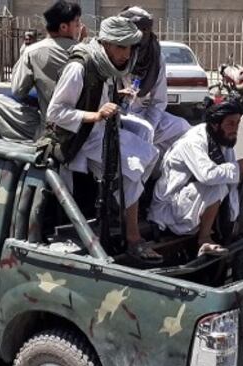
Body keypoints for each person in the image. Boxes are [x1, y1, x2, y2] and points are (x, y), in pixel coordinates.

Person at [47, 16, 162, 263]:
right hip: (81, 139)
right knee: (131, 171)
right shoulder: (79, 68)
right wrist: (96, 114)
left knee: (149, 149)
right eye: (121, 46)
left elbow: (100, 97)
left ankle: (121, 201)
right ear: (106, 43)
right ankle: (133, 239)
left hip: (101, 132)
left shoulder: (108, 65)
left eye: (130, 47)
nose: (126, 53)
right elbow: (55, 113)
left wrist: (116, 96)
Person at [148, 101, 243, 256]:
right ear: (215, 125)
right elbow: (207, 175)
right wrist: (238, 167)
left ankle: (238, 222)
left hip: (192, 199)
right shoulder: (193, 142)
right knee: (217, 185)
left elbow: (229, 178)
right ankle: (204, 239)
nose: (235, 129)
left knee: (233, 182)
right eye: (230, 124)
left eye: (238, 123)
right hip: (171, 207)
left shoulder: (223, 140)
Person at [0, 0, 83, 142]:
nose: (80, 28)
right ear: (64, 27)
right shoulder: (87, 51)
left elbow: (18, 91)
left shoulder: (33, 52)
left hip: (54, 130)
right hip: (86, 126)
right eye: (77, 24)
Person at [116, 6, 190, 153]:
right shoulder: (115, 53)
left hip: (144, 115)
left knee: (183, 127)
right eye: (138, 30)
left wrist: (148, 126)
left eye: (145, 30)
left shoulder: (155, 58)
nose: (142, 34)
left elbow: (159, 101)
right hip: (116, 114)